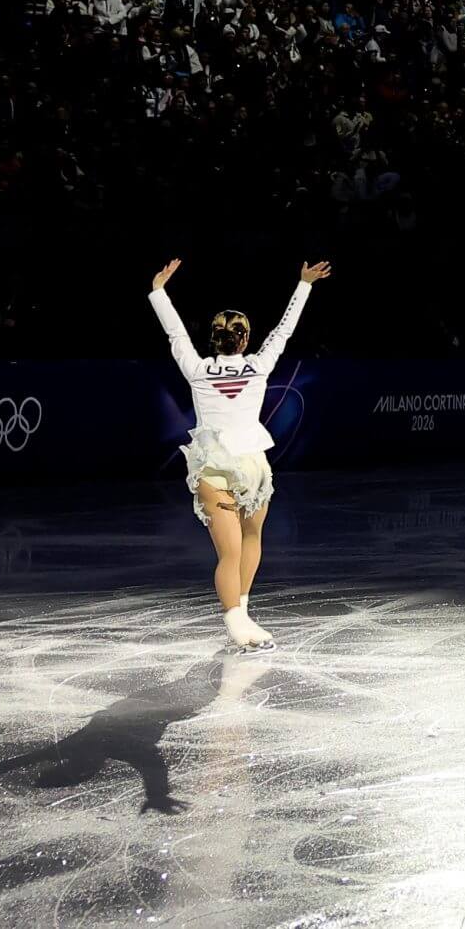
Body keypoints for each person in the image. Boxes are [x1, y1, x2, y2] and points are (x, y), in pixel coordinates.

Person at [149, 256, 331, 650]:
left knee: (234, 550)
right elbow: (284, 331)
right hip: (251, 464)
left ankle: (241, 616)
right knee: (248, 542)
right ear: (245, 340)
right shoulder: (259, 365)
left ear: (212, 338)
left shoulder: (196, 369)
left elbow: (175, 334)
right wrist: (304, 284)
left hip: (213, 465)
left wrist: (159, 292)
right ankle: (236, 619)